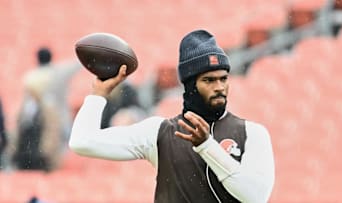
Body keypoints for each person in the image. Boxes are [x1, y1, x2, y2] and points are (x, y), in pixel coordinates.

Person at [69, 30, 275, 202]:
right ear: (191, 85)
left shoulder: (253, 133)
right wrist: (98, 95)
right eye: (209, 80)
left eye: (223, 79)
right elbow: (82, 142)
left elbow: (255, 197)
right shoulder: (158, 133)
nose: (220, 87)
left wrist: (206, 146)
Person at [13, 47, 81, 171]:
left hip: (47, 119)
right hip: (58, 118)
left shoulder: (31, 76)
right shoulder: (59, 72)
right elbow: (77, 65)